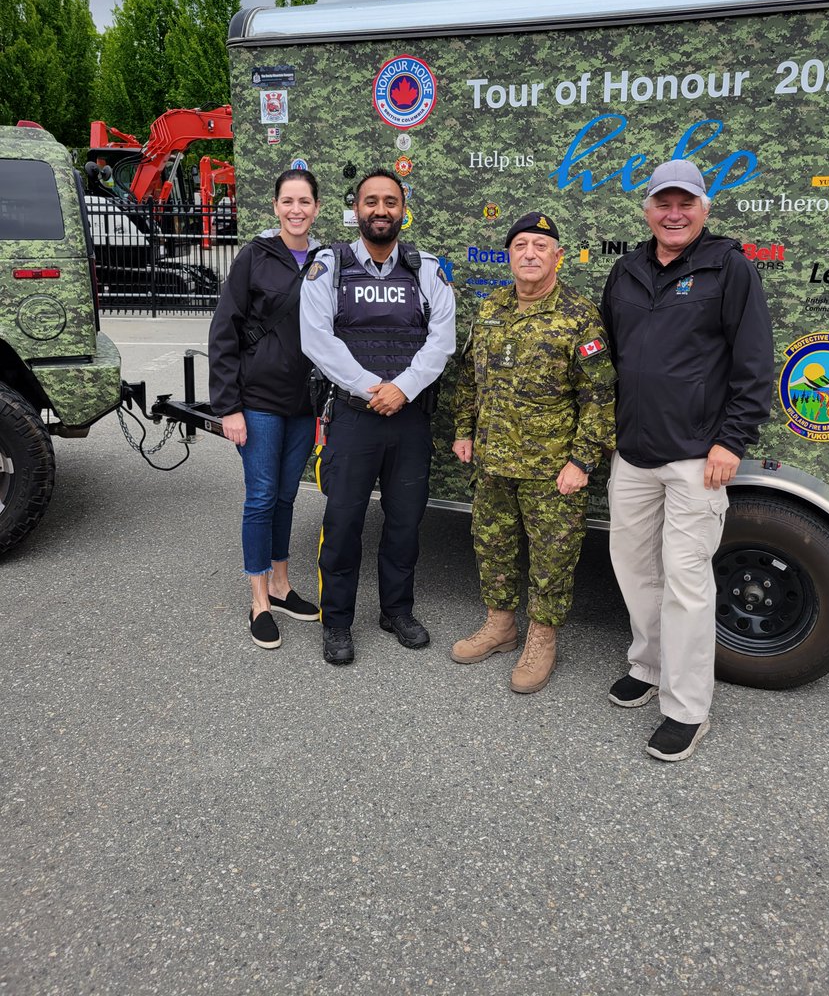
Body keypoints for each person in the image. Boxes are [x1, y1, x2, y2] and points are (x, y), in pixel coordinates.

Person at [601, 158, 774, 761]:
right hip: (634, 454)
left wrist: (731, 441)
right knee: (633, 567)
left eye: (686, 203)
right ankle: (648, 666)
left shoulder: (729, 268)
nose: (674, 214)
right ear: (647, 210)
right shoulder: (626, 270)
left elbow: (754, 363)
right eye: (662, 203)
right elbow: (614, 355)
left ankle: (686, 708)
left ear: (705, 208)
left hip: (697, 457)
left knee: (687, 580)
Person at [450, 212, 616, 693]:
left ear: (557, 256)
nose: (529, 253)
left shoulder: (580, 315)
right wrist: (465, 431)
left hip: (553, 469)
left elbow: (601, 395)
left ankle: (542, 638)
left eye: (540, 246)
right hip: (494, 462)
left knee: (553, 557)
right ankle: (501, 626)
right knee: (493, 546)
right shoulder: (493, 307)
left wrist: (582, 460)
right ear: (509, 255)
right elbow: (469, 376)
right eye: (521, 245)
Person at [298, 168, 456, 665]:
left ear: (403, 210)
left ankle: (397, 610)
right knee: (342, 522)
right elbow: (317, 340)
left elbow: (441, 341)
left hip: (408, 418)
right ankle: (338, 622)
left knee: (405, 523)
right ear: (356, 209)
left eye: (391, 201)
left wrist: (402, 389)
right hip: (354, 416)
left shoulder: (427, 268)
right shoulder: (330, 266)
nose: (381, 210)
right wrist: (374, 390)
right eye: (372, 201)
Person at [208, 169, 322, 649]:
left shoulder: (325, 262)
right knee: (260, 497)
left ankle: (280, 584)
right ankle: (258, 598)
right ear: (275, 206)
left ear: (317, 208)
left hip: (303, 404)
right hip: (257, 404)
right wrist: (228, 407)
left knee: (285, 498)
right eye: (288, 201)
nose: (296, 210)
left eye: (305, 201)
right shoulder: (255, 257)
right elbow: (224, 331)